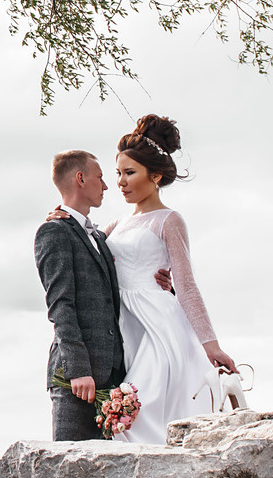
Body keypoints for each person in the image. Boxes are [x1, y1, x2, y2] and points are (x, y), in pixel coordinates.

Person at [98, 115, 242, 442]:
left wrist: (212, 345)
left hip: (157, 325)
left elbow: (187, 284)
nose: (121, 181)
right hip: (122, 323)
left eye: (130, 173)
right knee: (123, 411)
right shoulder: (114, 225)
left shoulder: (169, 221)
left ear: (156, 175)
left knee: (134, 408)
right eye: (118, 173)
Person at [34, 149, 125, 440]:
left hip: (112, 378)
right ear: (80, 179)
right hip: (76, 379)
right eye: (101, 178)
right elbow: (61, 304)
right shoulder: (54, 232)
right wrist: (78, 370)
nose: (107, 186)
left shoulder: (98, 237)